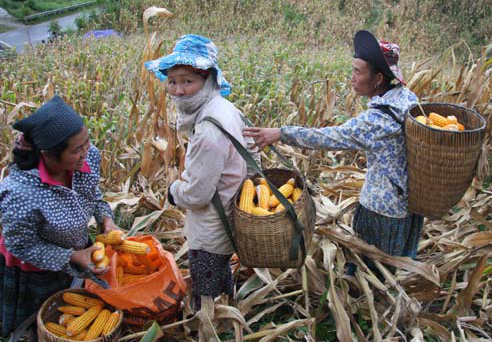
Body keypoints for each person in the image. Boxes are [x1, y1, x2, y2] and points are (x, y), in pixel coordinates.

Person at [244, 30, 424, 273]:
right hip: (408, 206)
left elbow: (330, 137)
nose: (351, 77)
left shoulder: (378, 120)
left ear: (379, 78)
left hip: (382, 213)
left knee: (369, 274)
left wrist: (281, 133)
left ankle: (364, 309)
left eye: (357, 71)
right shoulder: (406, 98)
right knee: (391, 270)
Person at [145, 34, 255, 310]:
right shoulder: (226, 108)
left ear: (208, 79)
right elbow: (252, 151)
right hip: (230, 211)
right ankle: (228, 313)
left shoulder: (207, 128)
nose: (178, 90)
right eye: (172, 81)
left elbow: (198, 194)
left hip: (212, 224)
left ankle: (209, 334)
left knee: (205, 290)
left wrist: (173, 192)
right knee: (221, 273)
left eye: (187, 81)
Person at [0, 96, 118, 338]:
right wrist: (73, 255)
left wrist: (106, 219)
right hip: (36, 265)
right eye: (77, 149)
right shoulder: (21, 193)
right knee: (43, 319)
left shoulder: (88, 156)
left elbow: (91, 194)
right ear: (48, 154)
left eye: (87, 142)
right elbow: (21, 244)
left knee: (74, 303)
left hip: (75, 243)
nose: (87, 152)